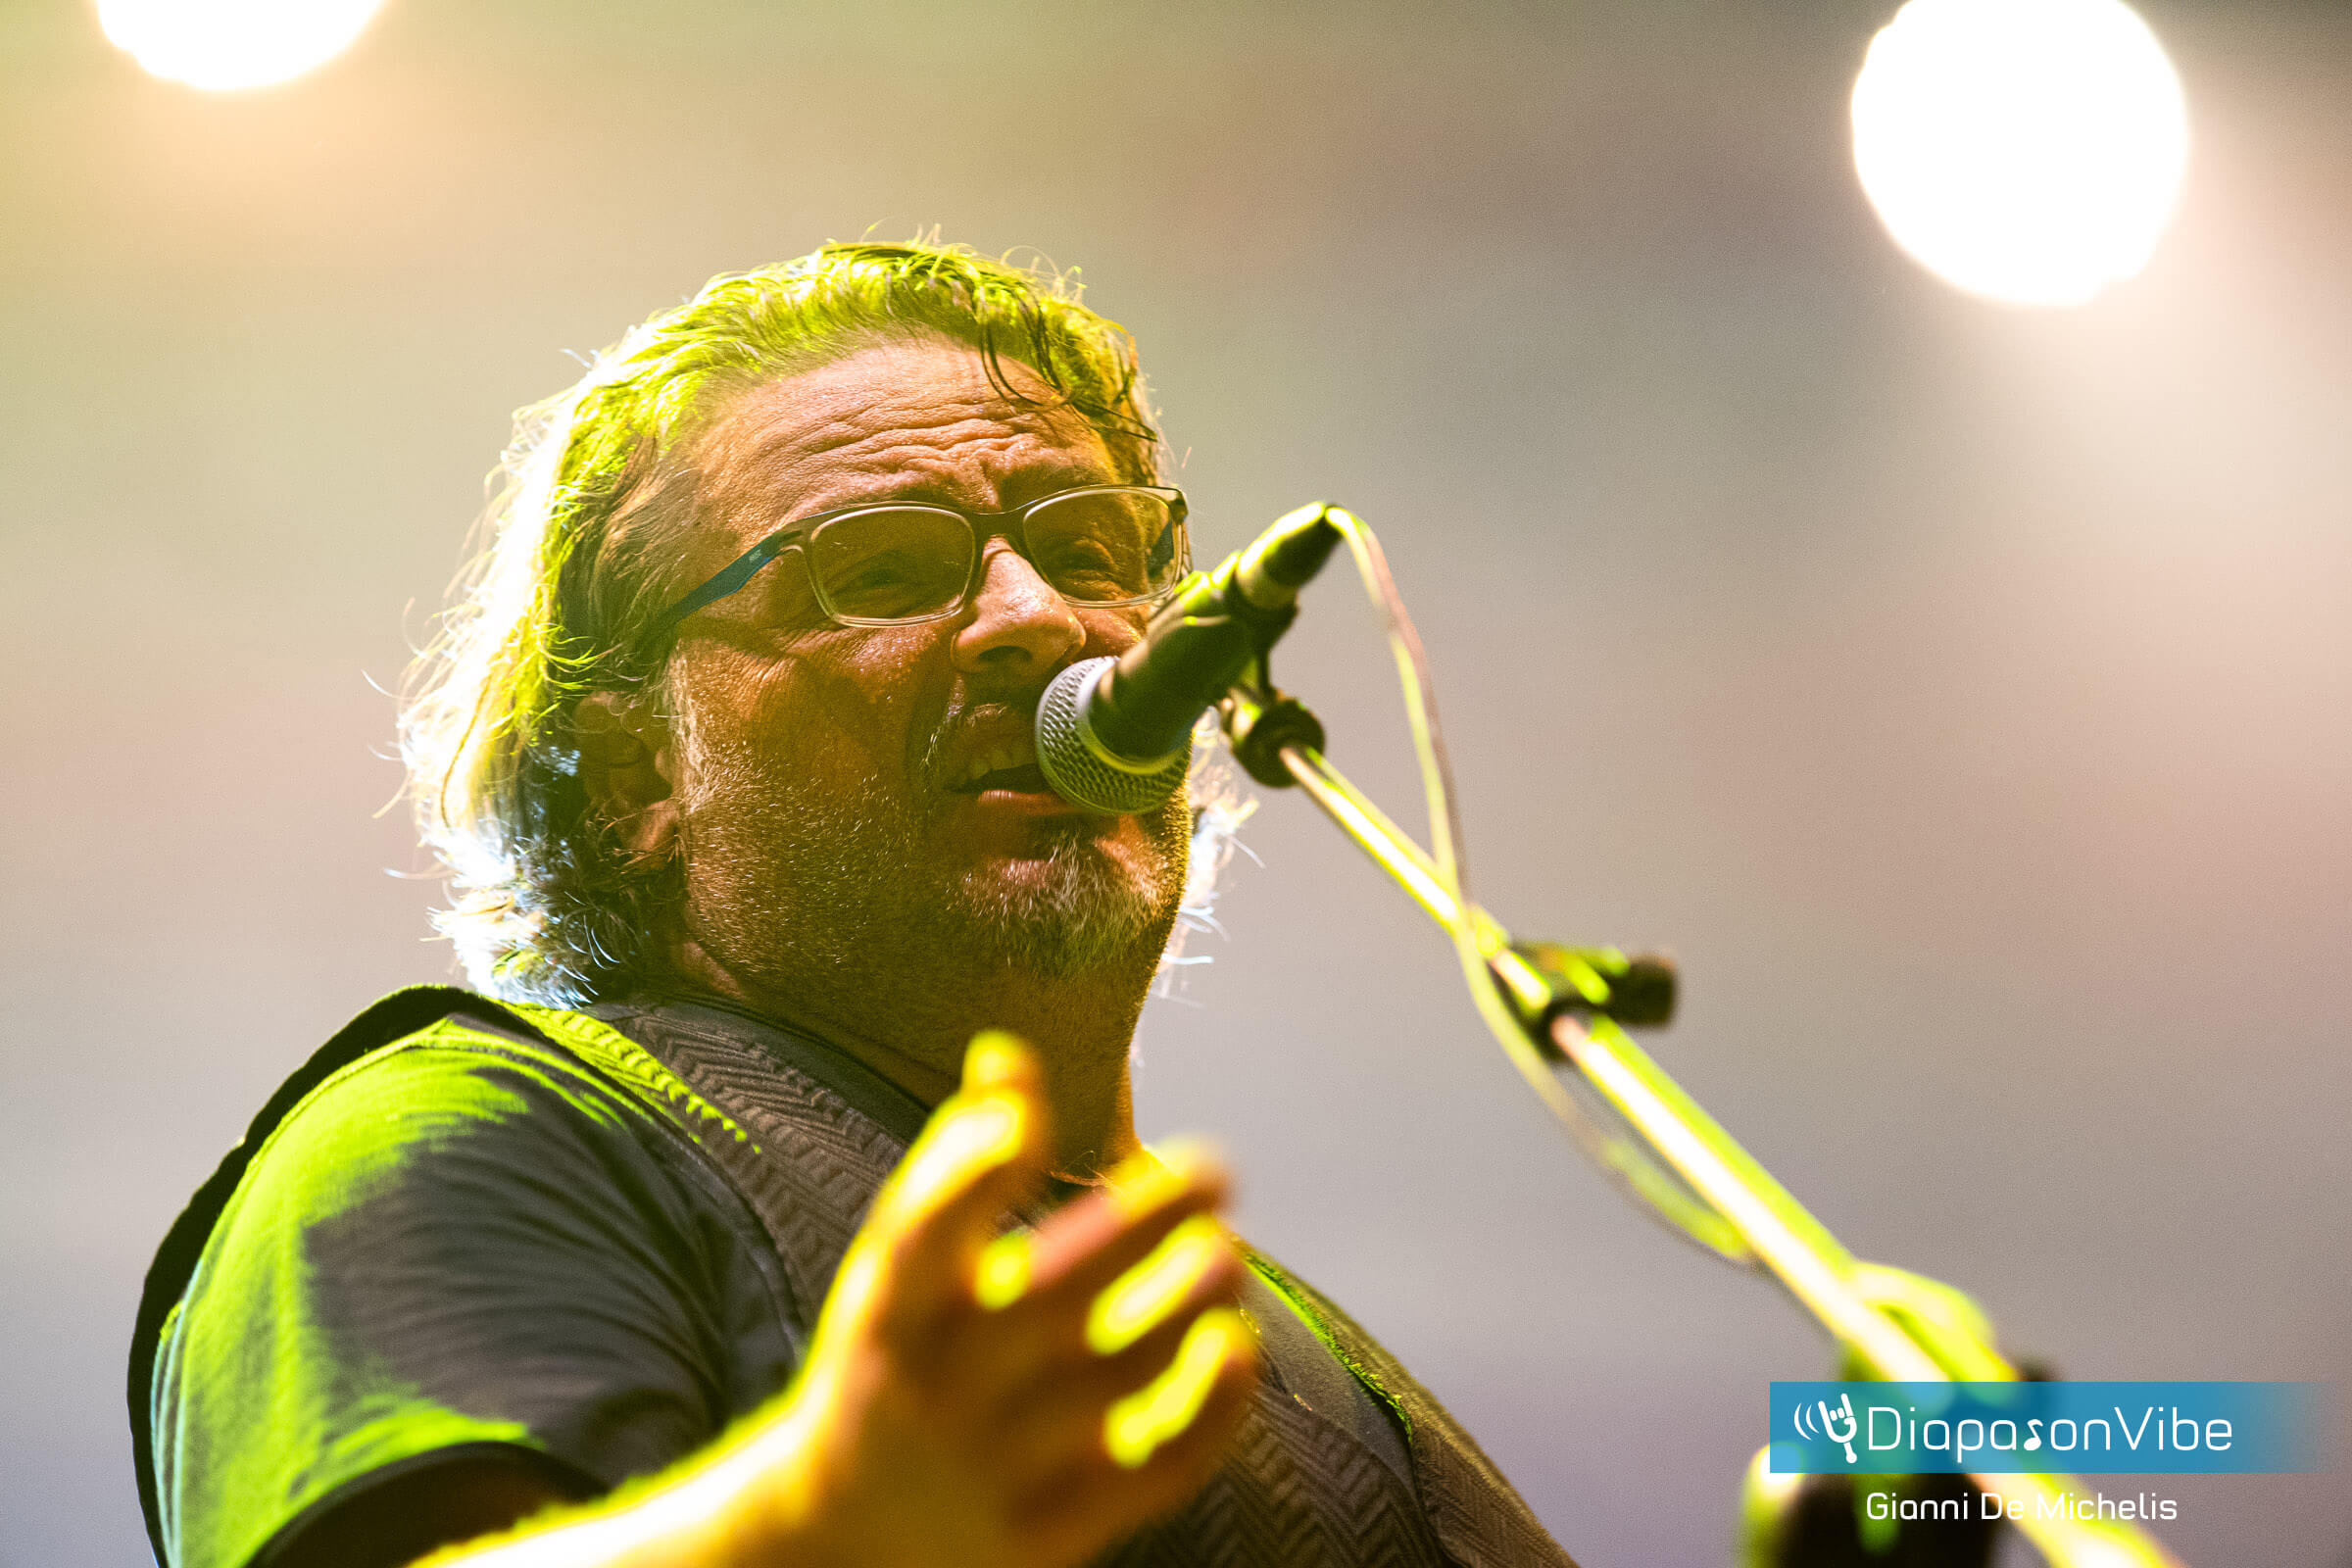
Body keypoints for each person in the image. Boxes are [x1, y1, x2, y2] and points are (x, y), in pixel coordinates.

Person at [131, 242, 1576, 1568]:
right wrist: (818, 1517)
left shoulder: (1285, 1332)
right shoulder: (482, 1130)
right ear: (641, 773)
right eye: (882, 569)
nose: (1039, 619)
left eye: (1089, 553)